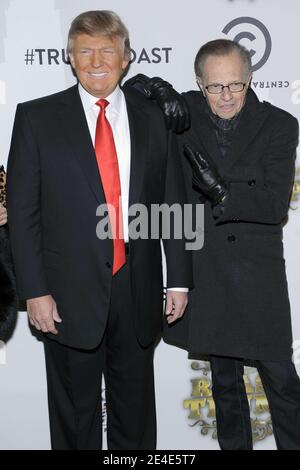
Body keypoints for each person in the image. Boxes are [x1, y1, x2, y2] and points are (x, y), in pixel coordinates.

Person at [6, 10, 193, 450]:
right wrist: (34, 290)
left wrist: (180, 280)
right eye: (85, 50)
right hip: (65, 293)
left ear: (126, 57)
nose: (96, 61)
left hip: (138, 287)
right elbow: (24, 212)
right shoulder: (36, 118)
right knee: (74, 419)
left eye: (107, 50)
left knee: (136, 418)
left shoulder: (154, 119)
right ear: (70, 57)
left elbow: (174, 203)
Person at [128, 39, 300, 450]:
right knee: (224, 383)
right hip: (207, 268)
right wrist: (155, 86)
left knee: (282, 381)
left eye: (235, 86)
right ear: (199, 83)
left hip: (257, 272)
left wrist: (222, 192)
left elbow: (275, 204)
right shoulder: (185, 110)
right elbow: (126, 92)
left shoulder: (280, 124)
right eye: (214, 87)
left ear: (251, 79)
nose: (225, 97)